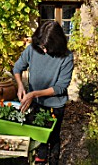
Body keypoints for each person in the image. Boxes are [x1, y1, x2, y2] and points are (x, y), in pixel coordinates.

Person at [13, 20, 74, 165]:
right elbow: (17, 68)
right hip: (36, 102)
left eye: (47, 47)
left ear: (57, 43)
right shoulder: (33, 49)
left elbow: (60, 87)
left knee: (53, 136)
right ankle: (40, 159)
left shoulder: (66, 57)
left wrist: (33, 93)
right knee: (37, 134)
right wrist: (20, 85)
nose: (44, 50)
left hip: (55, 105)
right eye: (42, 46)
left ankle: (53, 160)